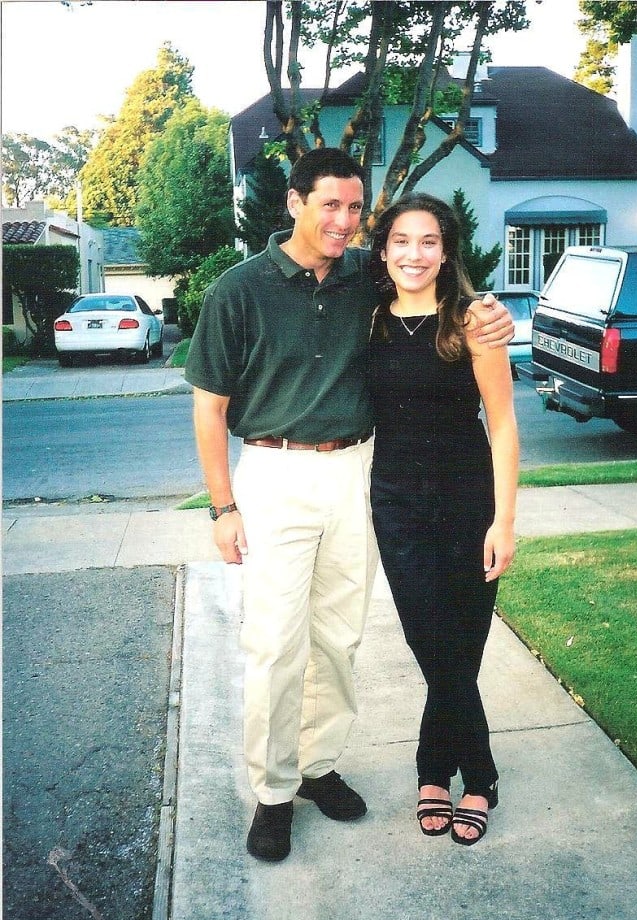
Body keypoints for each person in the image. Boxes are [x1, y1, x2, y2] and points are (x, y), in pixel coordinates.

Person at [184, 148, 514, 863]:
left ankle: (317, 767)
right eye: (328, 204)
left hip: (358, 471)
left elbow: (434, 275)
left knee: (338, 637)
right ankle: (272, 795)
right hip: (272, 472)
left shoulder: (368, 273)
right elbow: (208, 412)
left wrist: (491, 316)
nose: (343, 220)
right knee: (276, 643)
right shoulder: (237, 292)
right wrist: (223, 507)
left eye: (354, 208)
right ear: (293, 203)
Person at [368, 191, 519, 847]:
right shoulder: (366, 320)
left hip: (468, 503)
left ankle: (437, 771)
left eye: (428, 241)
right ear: (383, 249)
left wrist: (505, 521)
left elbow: (505, 425)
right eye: (402, 240)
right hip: (397, 504)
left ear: (446, 250)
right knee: (437, 648)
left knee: (461, 648)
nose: (414, 253)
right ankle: (481, 773)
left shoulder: (473, 322)